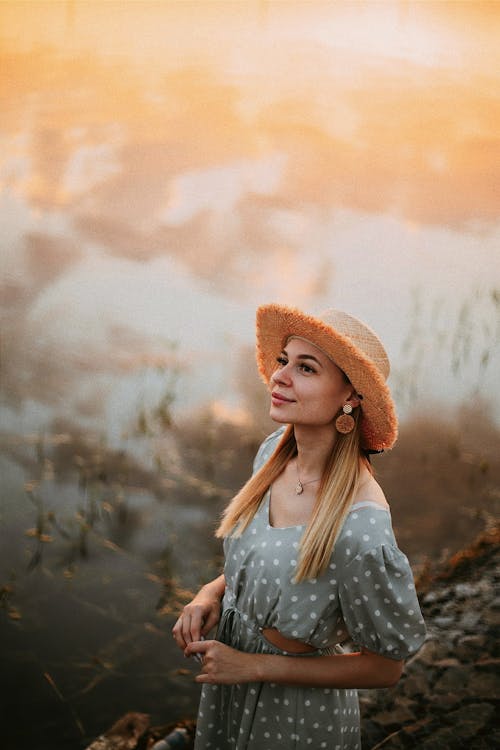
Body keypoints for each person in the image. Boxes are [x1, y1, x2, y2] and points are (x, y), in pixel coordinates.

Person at [172, 304, 426, 750]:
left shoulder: (360, 528)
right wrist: (211, 594)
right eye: (283, 360)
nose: (280, 376)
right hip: (230, 682)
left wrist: (253, 667)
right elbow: (269, 561)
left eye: (305, 368)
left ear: (350, 396)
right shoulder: (274, 453)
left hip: (293, 715)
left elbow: (386, 668)